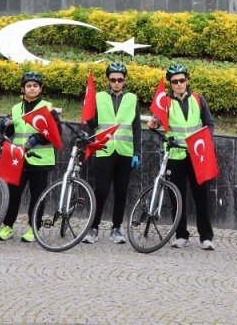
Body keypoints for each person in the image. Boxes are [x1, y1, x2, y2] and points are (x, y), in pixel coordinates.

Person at [146, 64, 217, 250]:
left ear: (187, 80)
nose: (179, 84)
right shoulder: (165, 102)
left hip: (197, 155)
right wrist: (153, 123)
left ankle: (206, 237)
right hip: (175, 155)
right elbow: (157, 120)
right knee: (177, 198)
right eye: (175, 81)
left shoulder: (198, 99)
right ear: (170, 84)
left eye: (182, 80)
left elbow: (209, 124)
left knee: (202, 197)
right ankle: (181, 235)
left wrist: (207, 140)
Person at [0, 71, 59, 243]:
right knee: (12, 194)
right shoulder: (16, 109)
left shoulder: (48, 108)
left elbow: (56, 132)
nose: (32, 88)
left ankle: (34, 228)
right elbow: (9, 132)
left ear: (40, 89)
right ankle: (8, 226)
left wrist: (37, 138)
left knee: (37, 195)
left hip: (40, 158)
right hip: (18, 158)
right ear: (23, 88)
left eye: (35, 86)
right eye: (28, 86)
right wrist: (4, 125)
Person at [83, 62, 141, 244]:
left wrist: (137, 152)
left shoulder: (132, 99)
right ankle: (93, 227)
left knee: (121, 192)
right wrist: (89, 118)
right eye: (113, 79)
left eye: (120, 79)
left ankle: (116, 228)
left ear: (124, 80)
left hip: (125, 151)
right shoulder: (99, 97)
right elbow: (94, 124)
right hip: (104, 149)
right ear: (108, 80)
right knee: (100, 191)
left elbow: (136, 128)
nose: (116, 83)